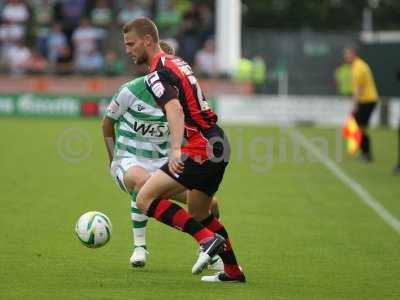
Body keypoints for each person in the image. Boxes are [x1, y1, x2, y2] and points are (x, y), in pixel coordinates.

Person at [122, 17, 245, 283]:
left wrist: (176, 149)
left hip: (200, 146)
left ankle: (206, 240)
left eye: (131, 44)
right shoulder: (178, 62)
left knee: (144, 199)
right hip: (218, 142)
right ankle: (233, 271)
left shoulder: (155, 73)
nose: (128, 50)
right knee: (199, 212)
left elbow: (174, 108)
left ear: (148, 40)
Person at [102, 40, 222, 269]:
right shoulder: (130, 91)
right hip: (129, 159)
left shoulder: (178, 100)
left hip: (163, 163)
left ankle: (212, 253)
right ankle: (140, 247)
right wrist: (113, 159)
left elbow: (189, 135)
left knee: (210, 204)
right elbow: (107, 125)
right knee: (142, 183)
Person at [344, 46, 379, 162]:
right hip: (366, 101)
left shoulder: (359, 67)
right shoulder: (357, 66)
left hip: (367, 101)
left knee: (359, 127)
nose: (346, 57)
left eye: (348, 54)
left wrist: (354, 105)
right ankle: (364, 152)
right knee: (358, 126)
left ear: (354, 54)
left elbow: (358, 88)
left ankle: (366, 153)